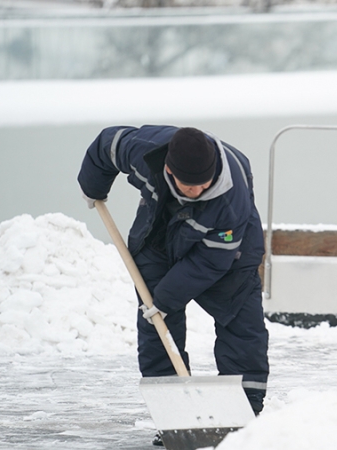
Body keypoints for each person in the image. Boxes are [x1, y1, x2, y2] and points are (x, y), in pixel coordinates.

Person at [77, 126, 269, 444]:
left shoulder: (230, 199)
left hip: (229, 253)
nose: (195, 190)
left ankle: (243, 419)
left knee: (241, 321)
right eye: (187, 184)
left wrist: (165, 298)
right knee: (156, 325)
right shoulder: (145, 150)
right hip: (158, 239)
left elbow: (210, 262)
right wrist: (92, 186)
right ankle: (175, 417)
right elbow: (106, 146)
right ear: (168, 168)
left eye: (202, 184)